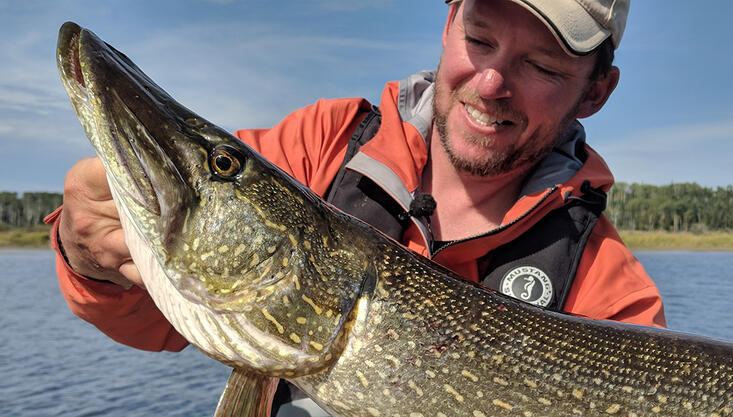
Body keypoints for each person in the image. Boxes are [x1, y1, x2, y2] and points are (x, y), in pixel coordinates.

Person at [46, 0, 665, 415]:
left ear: (597, 92)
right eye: (479, 39)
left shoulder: (615, 300)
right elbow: (156, 315)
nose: (490, 83)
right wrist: (88, 256)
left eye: (540, 66)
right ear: (448, 23)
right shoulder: (324, 146)